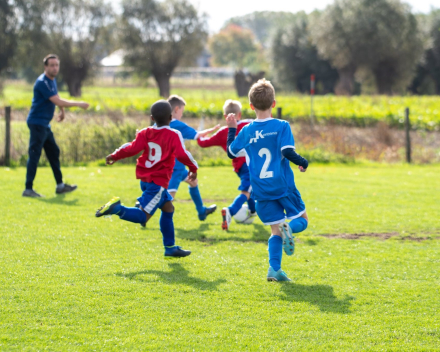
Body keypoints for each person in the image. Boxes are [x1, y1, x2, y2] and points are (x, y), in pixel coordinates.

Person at [226, 79, 309, 282]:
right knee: (302, 219)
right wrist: (302, 161)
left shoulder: (246, 131)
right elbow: (287, 151)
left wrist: (231, 128)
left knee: (275, 229)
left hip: (261, 191)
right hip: (283, 186)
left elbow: (231, 152)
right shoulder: (282, 126)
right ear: (273, 103)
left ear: (251, 106)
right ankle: (290, 228)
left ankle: (274, 269)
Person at [95, 100, 196, 258]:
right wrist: (193, 168)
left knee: (168, 208)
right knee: (143, 216)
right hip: (158, 183)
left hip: (146, 181)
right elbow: (183, 154)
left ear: (152, 118)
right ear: (171, 117)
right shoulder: (173, 134)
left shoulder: (144, 133)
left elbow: (131, 148)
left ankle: (170, 247)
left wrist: (115, 155)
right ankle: (117, 209)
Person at [23, 54, 90, 198]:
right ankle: (28, 189)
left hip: (44, 124)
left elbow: (57, 97)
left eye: (56, 65)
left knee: (54, 152)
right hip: (37, 123)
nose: (55, 68)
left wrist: (62, 111)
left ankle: (60, 186)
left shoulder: (51, 81)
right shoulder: (42, 82)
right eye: (52, 65)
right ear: (45, 67)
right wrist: (78, 103)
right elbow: (57, 100)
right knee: (34, 155)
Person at [197, 99, 257, 230]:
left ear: (225, 116)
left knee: (250, 190)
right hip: (251, 164)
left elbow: (202, 143)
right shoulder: (250, 124)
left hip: (239, 167)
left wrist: (201, 133)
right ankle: (230, 210)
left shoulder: (223, 132)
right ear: (240, 114)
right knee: (247, 191)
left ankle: (253, 211)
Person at [166, 95, 218, 221]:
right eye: (182, 112)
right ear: (177, 109)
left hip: (166, 165)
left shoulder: (159, 123)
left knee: (193, 181)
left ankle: (201, 211)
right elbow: (197, 135)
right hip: (175, 168)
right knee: (168, 200)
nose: (182, 115)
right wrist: (212, 130)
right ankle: (142, 211)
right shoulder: (178, 125)